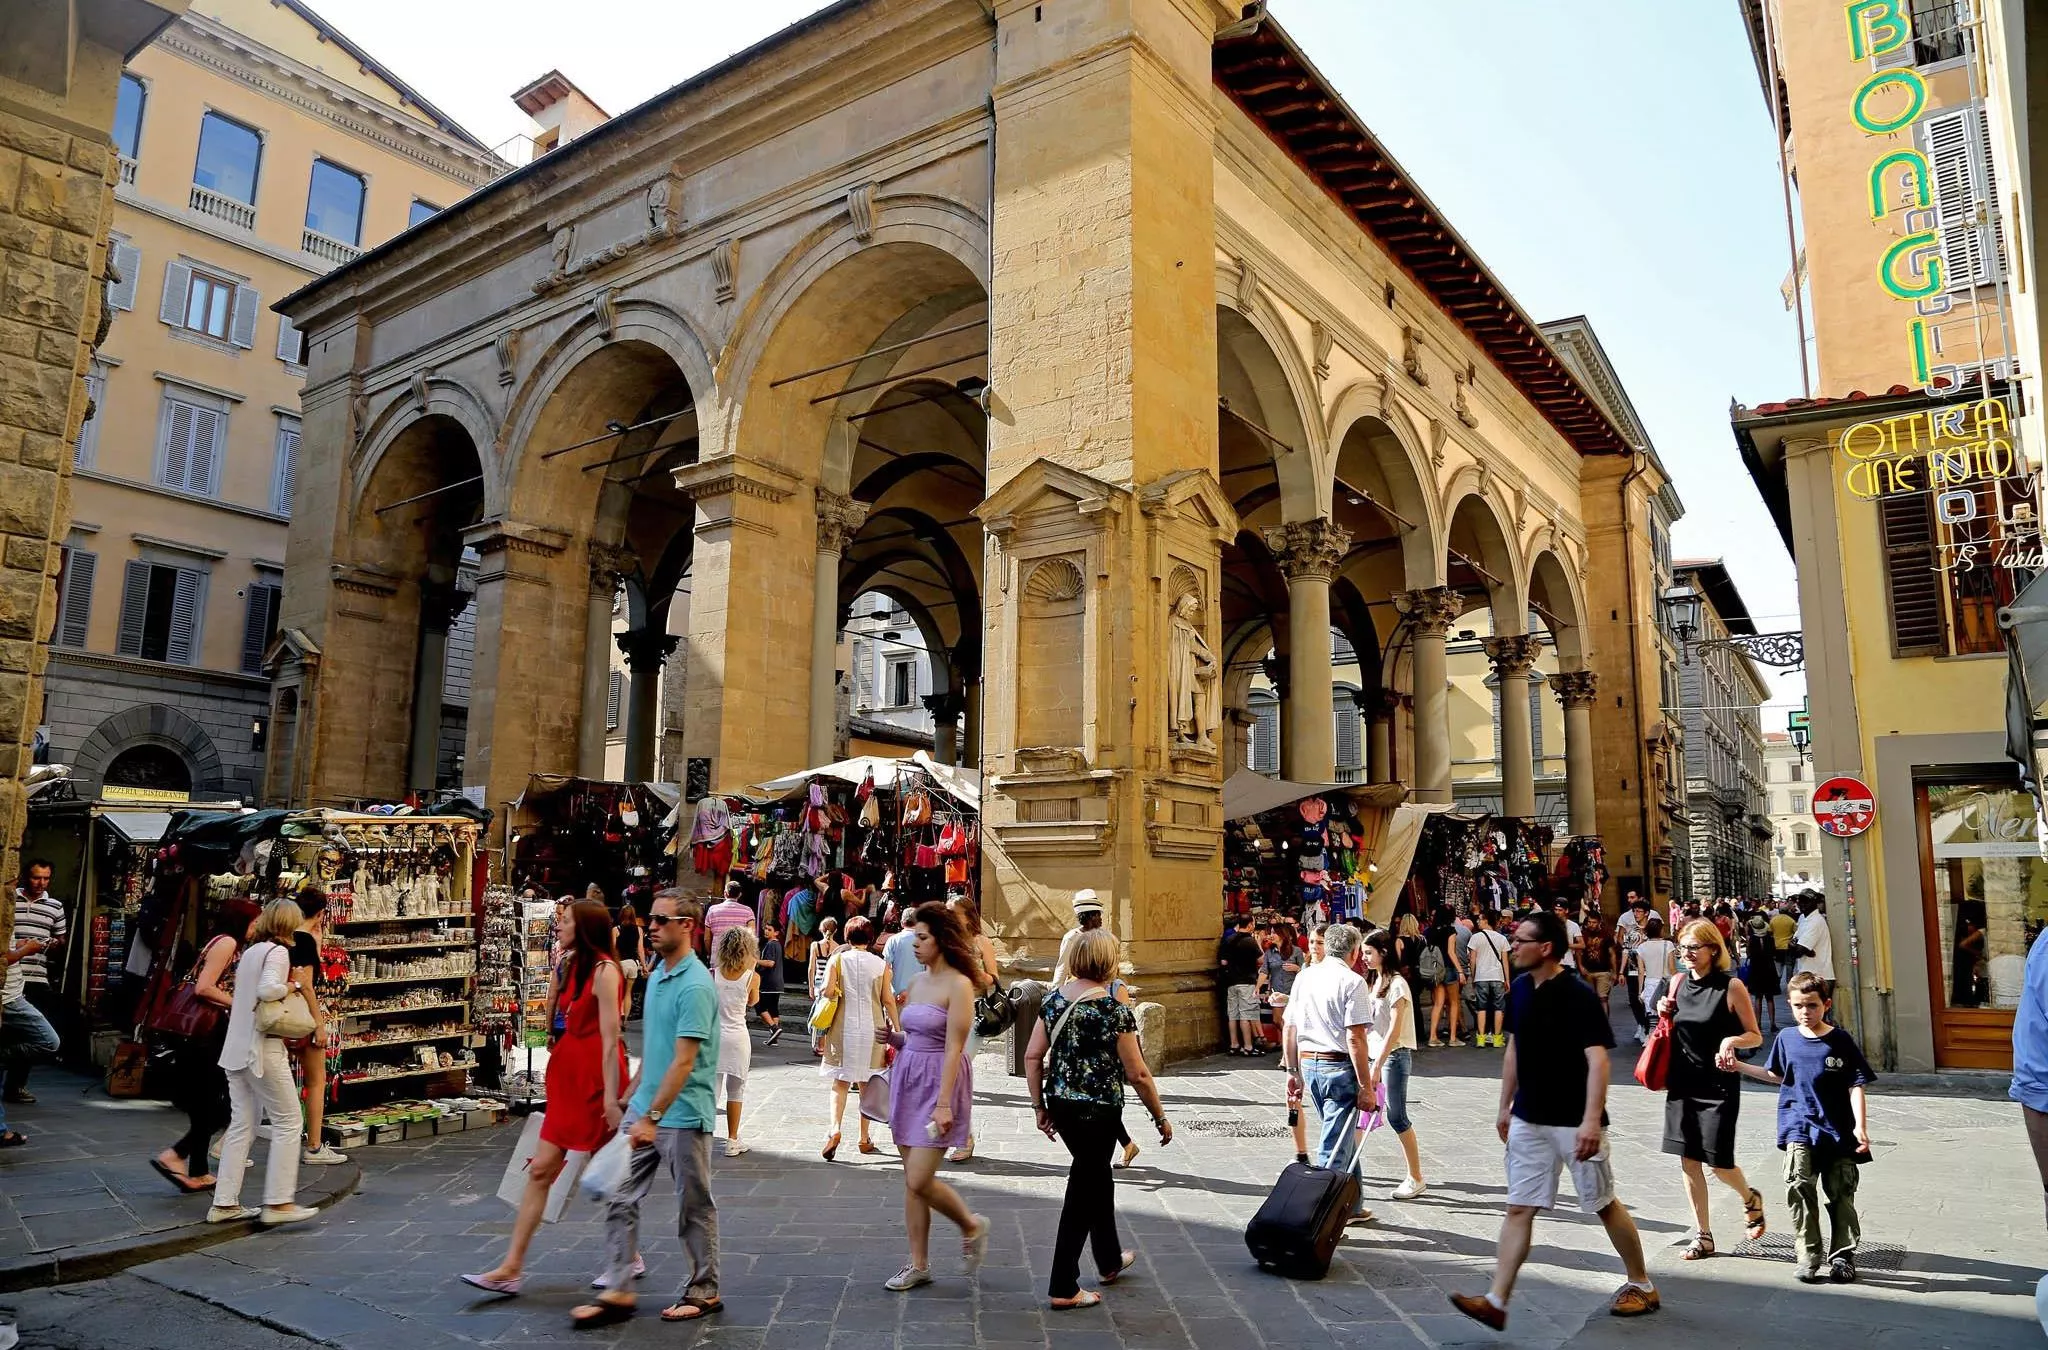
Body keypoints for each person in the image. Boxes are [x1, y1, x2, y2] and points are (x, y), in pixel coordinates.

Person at [1449, 912, 1658, 1330]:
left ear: (1545, 948)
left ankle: (1642, 1282)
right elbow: (1514, 1049)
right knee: (1518, 1208)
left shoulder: (1577, 994)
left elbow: (1597, 1060)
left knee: (1603, 1204)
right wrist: (1504, 1105)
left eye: (1521, 938)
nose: (1513, 943)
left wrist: (1591, 1121)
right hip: (1529, 1116)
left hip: (1574, 1120)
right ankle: (1496, 1300)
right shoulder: (1521, 989)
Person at [462, 900, 625, 1298]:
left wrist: (610, 1100)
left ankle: (627, 1257)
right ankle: (511, 1268)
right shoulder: (570, 964)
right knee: (540, 1170)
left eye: (565, 921)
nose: (558, 925)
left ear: (583, 927)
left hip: (594, 1081)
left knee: (610, 1174)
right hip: (570, 1076)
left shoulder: (605, 972)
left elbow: (610, 1040)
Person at [577, 895, 722, 1326]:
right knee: (620, 1196)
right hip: (646, 1109)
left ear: (688, 926)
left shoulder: (696, 985)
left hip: (681, 1114)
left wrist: (651, 1117)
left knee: (693, 1205)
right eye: (650, 919)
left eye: (662, 920)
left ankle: (704, 1289)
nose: (651, 926)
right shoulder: (658, 972)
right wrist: (631, 1095)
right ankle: (619, 1288)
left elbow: (684, 1061)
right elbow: (658, 1052)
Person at [1025, 928, 1171, 1311]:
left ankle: (1108, 1259)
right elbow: (1137, 1073)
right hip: (1099, 1109)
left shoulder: (1054, 1001)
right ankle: (1063, 1285)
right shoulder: (1114, 1010)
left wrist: (1039, 1106)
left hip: (1061, 1105)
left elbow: (1032, 1056)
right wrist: (1159, 1117)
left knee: (1095, 1175)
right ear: (1109, 963)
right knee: (1083, 1189)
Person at [1727, 971, 1875, 1283]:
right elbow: (1777, 1075)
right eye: (1798, 1006)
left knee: (1840, 1194)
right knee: (1798, 1187)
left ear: (1826, 1005)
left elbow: (1855, 1084)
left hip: (1837, 1130)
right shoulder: (1786, 1039)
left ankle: (1842, 1256)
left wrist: (1860, 1126)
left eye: (1812, 1005)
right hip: (1798, 1127)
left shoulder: (1840, 1041)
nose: (1805, 1012)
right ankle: (1808, 1254)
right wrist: (1738, 1066)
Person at [878, 901, 988, 1292]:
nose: (914, 944)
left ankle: (971, 1225)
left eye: (922, 937)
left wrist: (944, 1104)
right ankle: (918, 1264)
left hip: (941, 1082)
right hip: (908, 1076)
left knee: (919, 1177)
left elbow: (954, 1047)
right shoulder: (919, 981)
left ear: (941, 938)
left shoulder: (959, 984)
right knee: (912, 1182)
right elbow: (918, 1034)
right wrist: (894, 1038)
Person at [1659, 919, 1765, 1261]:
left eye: (1694, 947)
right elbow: (1671, 1029)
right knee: (1688, 1162)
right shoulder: (1676, 983)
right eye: (1682, 948)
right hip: (1682, 1082)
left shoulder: (1731, 987)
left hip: (1718, 1085)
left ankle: (1750, 1198)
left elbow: (1755, 1035)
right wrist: (1662, 1012)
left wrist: (1731, 1039)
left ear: (1713, 949)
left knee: (1719, 1164)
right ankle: (1703, 1235)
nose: (1686, 954)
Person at [210, 899, 318, 1227]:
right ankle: (279, 1202)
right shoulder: (279, 953)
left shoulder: (252, 952)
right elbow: (268, 990)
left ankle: (224, 1203)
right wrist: (296, 984)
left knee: (243, 1124)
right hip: (262, 1049)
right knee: (288, 1122)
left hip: (236, 1049)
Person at [154, 899, 261, 1192]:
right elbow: (203, 987)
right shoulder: (226, 943)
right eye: (253, 922)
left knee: (206, 1104)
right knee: (219, 1106)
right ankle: (175, 1155)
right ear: (241, 921)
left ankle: (198, 1171)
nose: (256, 928)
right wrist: (242, 1005)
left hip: (205, 1033)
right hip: (204, 1033)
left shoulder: (222, 942)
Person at [1280, 923, 1376, 1227]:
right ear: (1354, 951)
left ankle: (1353, 1205)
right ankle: (1315, 1218)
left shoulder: (1305, 976)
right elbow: (1356, 1038)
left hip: (1309, 1063)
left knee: (1340, 1135)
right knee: (1333, 1147)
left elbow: (1290, 1026)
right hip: (1339, 1067)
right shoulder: (1353, 981)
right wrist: (1366, 1085)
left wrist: (1292, 1070)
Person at [819, 915, 895, 1160]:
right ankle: (864, 1138)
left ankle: (834, 1128)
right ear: (870, 936)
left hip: (843, 1028)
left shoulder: (838, 959)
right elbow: (887, 999)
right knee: (866, 1086)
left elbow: (828, 991)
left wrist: (828, 990)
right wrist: (899, 1028)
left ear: (848, 936)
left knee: (840, 1083)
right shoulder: (880, 964)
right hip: (873, 1031)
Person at [1359, 929, 1426, 1200]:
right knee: (1360, 1115)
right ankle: (1344, 1170)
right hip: (1376, 1056)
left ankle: (1416, 1177)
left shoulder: (1397, 984)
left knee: (1397, 1116)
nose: (1363, 958)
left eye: (1368, 952)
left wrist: (1377, 1065)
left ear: (1383, 953)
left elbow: (1394, 1031)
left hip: (1393, 1057)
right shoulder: (1374, 980)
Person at [287, 889, 345, 1166]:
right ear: (321, 913)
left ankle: (226, 1143)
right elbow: (307, 985)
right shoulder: (305, 941)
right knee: (316, 1081)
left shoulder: (286, 936)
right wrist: (319, 1024)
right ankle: (314, 1145)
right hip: (304, 1017)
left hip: (283, 1016)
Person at [3, 860, 64, 1104]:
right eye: (36, 877)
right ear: (26, 877)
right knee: (11, 1034)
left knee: (33, 1036)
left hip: (36, 977)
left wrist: (53, 945)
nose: (41, 883)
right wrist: (21, 948)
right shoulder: (9, 901)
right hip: (10, 977)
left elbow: (61, 940)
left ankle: (16, 1086)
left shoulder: (55, 907)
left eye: (46, 879)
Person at [946, 897, 1001, 1163]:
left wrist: (975, 975)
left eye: (953, 913)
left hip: (974, 1013)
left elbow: (994, 978)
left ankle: (964, 1137)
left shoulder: (981, 942)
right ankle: (958, 1133)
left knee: (957, 1073)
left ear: (967, 915)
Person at [713, 925, 759, 1156]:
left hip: (715, 1036)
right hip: (738, 1035)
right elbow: (753, 1002)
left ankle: (702, 1135)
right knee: (736, 1091)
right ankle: (732, 1140)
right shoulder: (753, 977)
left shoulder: (713, 973)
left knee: (712, 1091)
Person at [1219, 914, 1265, 1056]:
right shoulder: (1250, 941)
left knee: (1232, 1015)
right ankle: (1248, 1046)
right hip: (1247, 981)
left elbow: (1223, 962)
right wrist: (1259, 943)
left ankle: (1234, 1044)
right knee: (1246, 1015)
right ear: (1250, 924)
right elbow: (1261, 960)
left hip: (1231, 982)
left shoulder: (1229, 940)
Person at [1465, 910, 1511, 1049]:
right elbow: (1505, 961)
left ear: (1486, 920)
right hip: (1497, 976)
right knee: (1499, 1007)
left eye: (1480, 919)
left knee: (1481, 1007)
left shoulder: (1475, 938)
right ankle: (1497, 1038)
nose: (1478, 921)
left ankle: (1481, 1038)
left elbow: (1472, 960)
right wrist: (1507, 979)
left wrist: (1473, 976)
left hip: (1481, 976)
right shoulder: (1502, 938)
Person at [1629, 915, 1676, 1044]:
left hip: (1650, 983)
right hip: (1667, 982)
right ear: (1661, 930)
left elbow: (1641, 971)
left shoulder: (1642, 948)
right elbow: (1672, 968)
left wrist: (1640, 991)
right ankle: (1666, 1040)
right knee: (1667, 1013)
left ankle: (1651, 1041)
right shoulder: (1669, 945)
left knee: (1652, 1017)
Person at [1422, 906, 1466, 1048]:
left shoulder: (1428, 931)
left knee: (1438, 1003)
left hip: (1434, 969)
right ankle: (1453, 1037)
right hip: (1448, 968)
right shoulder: (1450, 930)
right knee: (1454, 1002)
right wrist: (1460, 971)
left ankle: (1433, 1037)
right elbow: (1451, 952)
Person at [1742, 905, 1782, 1035]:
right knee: (1770, 998)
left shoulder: (1752, 940)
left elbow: (1748, 954)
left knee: (1757, 998)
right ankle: (1772, 1023)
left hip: (1756, 969)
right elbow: (1774, 953)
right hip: (1769, 969)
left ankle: (1758, 1023)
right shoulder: (1770, 939)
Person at [1788, 893, 1835, 1001]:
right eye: (1800, 901)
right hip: (1808, 973)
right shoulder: (1803, 918)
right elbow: (1792, 943)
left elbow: (1799, 950)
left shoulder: (1816, 921)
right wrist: (1805, 950)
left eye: (1806, 901)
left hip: (1819, 976)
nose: (1802, 904)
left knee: (1816, 1013)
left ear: (1814, 903)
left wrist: (1801, 948)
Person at [1052, 889, 1104, 986]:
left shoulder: (1100, 937)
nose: (1100, 919)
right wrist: (1054, 993)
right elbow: (1062, 967)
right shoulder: (1072, 937)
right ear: (1090, 917)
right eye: (1098, 915)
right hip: (1077, 988)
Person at [756, 919, 786, 1045]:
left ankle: (774, 1027)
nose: (766, 931)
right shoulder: (777, 945)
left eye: (770, 930)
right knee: (773, 1008)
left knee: (759, 1005)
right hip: (777, 982)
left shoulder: (771, 945)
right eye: (766, 929)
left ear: (776, 933)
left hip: (769, 981)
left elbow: (770, 962)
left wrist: (755, 961)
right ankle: (774, 1038)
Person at [706, 881, 754, 955]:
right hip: (739, 958)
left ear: (725, 893)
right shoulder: (748, 911)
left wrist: (710, 954)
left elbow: (707, 938)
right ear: (739, 895)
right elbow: (751, 937)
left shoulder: (712, 910)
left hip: (718, 958)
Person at [615, 905, 645, 1020]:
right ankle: (625, 1020)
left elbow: (613, 949)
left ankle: (620, 1013)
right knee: (628, 992)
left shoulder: (616, 930)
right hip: (633, 963)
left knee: (618, 992)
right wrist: (644, 966)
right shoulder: (639, 930)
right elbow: (640, 949)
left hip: (620, 963)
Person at [1580, 912, 1616, 1007]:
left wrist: (1615, 972)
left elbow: (1612, 954)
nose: (1591, 925)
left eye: (1594, 922)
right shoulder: (1583, 934)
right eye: (1589, 922)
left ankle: (1604, 1021)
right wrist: (1581, 966)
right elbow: (1578, 952)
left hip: (1603, 971)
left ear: (1599, 922)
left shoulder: (1606, 934)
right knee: (1589, 999)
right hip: (1588, 970)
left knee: (1603, 998)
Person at [1770, 900, 1800, 997]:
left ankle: (1776, 986)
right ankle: (1789, 986)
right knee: (1789, 967)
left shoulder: (1773, 920)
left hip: (1777, 947)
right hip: (1788, 947)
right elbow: (1796, 933)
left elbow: (1770, 932)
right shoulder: (1791, 921)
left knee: (1778, 967)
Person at [1552, 899, 1584, 973]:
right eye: (1555, 910)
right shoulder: (1550, 925)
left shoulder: (1573, 925)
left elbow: (1582, 945)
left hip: (1568, 964)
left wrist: (1566, 945)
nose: (1557, 912)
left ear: (1566, 911)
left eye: (1560, 910)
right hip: (1553, 964)